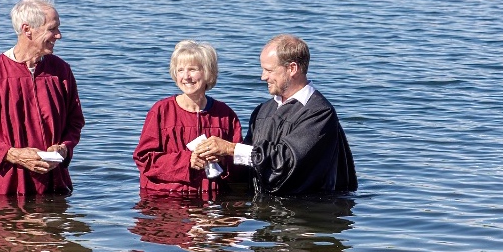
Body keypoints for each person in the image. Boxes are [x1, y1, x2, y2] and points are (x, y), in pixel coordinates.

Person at [197, 34, 357, 196]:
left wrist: (230, 148)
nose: (263, 76)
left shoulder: (319, 113)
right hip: (264, 210)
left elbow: (287, 161)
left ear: (292, 69)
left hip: (305, 210)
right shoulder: (263, 110)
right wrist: (221, 159)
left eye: (269, 70)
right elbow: (250, 163)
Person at [0, 0, 84, 196]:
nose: (59, 35)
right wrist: (12, 154)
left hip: (52, 186)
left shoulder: (61, 71)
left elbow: (75, 122)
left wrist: (64, 148)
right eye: (52, 29)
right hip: (2, 188)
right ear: (27, 29)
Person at [133, 40, 243, 194]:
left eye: (192, 69)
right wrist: (186, 161)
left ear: (207, 72)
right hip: (166, 201)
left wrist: (223, 158)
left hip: (211, 203)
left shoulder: (225, 115)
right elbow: (144, 159)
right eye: (180, 70)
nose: (186, 76)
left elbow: (240, 167)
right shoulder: (161, 111)